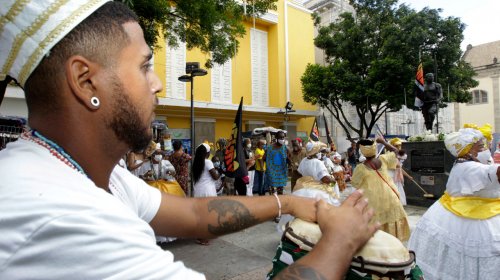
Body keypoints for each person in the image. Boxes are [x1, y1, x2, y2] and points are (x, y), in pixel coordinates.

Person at [0, 1, 378, 278]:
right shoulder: (61, 217)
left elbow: (196, 215)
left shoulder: (85, 173)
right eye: (144, 65)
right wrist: (341, 240)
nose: (157, 83)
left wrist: (293, 202)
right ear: (86, 81)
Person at [408, 126, 500, 280]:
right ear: (468, 149)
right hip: (468, 217)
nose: (484, 147)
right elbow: (492, 173)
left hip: (472, 210)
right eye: (479, 145)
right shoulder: (468, 168)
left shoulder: (465, 163)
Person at [351, 138, 410, 242]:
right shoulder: (383, 159)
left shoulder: (360, 168)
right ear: (375, 149)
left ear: (363, 152)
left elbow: (355, 184)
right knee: (391, 220)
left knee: (375, 225)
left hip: (372, 201)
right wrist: (383, 142)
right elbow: (396, 152)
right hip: (390, 197)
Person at [192, 143, 220, 245]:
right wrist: (220, 171)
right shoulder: (208, 162)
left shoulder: (195, 162)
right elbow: (215, 177)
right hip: (207, 191)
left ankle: (200, 236)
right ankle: (204, 238)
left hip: (198, 190)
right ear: (207, 153)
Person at [265, 131, 289, 195]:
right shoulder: (269, 148)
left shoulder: (285, 148)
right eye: (280, 137)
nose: (282, 139)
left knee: (280, 193)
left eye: (283, 137)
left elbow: (288, 158)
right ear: (276, 138)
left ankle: (279, 204)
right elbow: (264, 158)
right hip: (272, 173)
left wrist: (289, 161)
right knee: (273, 194)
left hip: (281, 173)